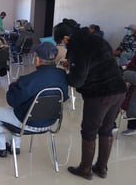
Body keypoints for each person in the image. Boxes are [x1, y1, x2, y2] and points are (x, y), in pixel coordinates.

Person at [53, 19, 127, 180]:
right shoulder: (96, 39)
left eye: (61, 42)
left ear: (66, 38)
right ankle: (101, 168)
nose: (63, 45)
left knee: (89, 130)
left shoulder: (78, 46)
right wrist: (73, 65)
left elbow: (77, 80)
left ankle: (85, 169)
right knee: (107, 129)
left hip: (100, 93)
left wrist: (67, 74)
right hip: (119, 89)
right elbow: (97, 64)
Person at [0, 42, 68, 157]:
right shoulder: (62, 75)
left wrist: (13, 86)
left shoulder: (28, 80)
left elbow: (12, 101)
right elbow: (63, 98)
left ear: (38, 59)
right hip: (50, 122)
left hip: (28, 123)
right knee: (19, 108)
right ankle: (14, 146)